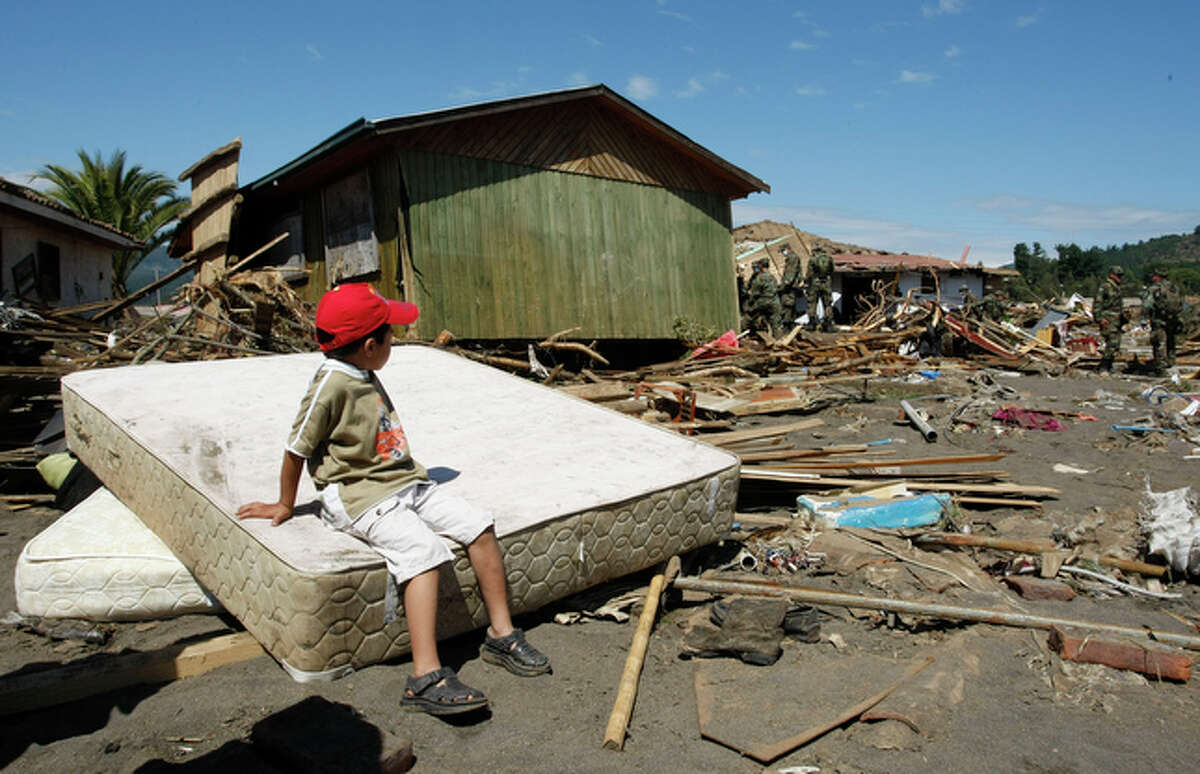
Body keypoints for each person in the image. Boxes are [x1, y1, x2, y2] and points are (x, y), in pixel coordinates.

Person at [237, 283, 549, 716]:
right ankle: (425, 676)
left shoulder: (360, 368)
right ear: (368, 346)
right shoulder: (330, 384)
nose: (394, 342)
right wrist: (286, 504)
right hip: (360, 493)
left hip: (403, 481)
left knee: (477, 523)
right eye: (390, 335)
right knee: (423, 552)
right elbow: (296, 448)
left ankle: (501, 632)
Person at [1143, 267, 1183, 374]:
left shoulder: (1154, 288)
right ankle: (1172, 364)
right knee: (1171, 342)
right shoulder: (1174, 287)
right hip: (1172, 320)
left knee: (1159, 343)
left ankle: (1160, 369)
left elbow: (1147, 304)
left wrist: (1143, 319)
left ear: (1157, 276)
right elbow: (1180, 304)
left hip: (1159, 320)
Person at [1094, 266, 1127, 373]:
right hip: (1108, 319)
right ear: (1112, 275)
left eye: (1121, 276)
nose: (1120, 278)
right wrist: (1099, 318)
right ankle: (1104, 367)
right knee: (1111, 343)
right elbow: (1097, 303)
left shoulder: (1117, 288)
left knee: (1116, 344)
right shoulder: (1105, 287)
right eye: (1118, 275)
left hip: (1117, 320)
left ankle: (1108, 365)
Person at [741, 257, 783, 338]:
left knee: (749, 315)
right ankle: (778, 339)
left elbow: (754, 294)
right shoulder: (772, 277)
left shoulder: (759, 278)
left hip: (763, 302)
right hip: (774, 302)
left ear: (760, 266)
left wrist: (750, 304)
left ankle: (743, 333)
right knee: (775, 322)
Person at [805, 245, 834, 332]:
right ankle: (828, 324)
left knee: (812, 303)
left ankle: (811, 323)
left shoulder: (812, 259)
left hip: (815, 283)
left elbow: (809, 274)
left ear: (814, 251)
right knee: (827, 304)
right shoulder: (829, 258)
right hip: (826, 283)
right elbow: (832, 270)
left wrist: (807, 282)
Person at [777, 244, 804, 326]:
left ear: (788, 249)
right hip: (791, 286)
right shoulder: (792, 257)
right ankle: (789, 322)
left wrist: (782, 286)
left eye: (783, 251)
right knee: (789, 305)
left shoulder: (792, 258)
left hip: (789, 287)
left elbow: (790, 275)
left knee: (787, 304)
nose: (782, 253)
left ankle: (787, 324)